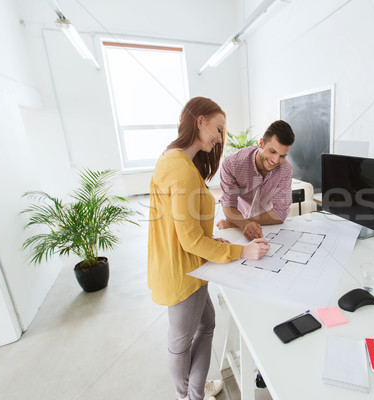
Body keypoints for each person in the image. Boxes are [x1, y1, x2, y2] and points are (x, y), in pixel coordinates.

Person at [147, 97, 270, 400]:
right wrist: (242, 251)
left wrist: (210, 239)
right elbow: (189, 240)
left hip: (186, 264)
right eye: (218, 128)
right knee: (180, 343)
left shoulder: (174, 158)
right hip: (183, 273)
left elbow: (183, 228)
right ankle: (189, 396)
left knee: (208, 323)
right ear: (199, 121)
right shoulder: (182, 170)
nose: (219, 137)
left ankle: (195, 389)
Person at [217, 120, 295, 240]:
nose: (275, 160)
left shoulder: (285, 168)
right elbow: (228, 205)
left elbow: (280, 213)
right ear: (261, 144)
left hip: (267, 222)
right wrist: (242, 223)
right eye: (272, 151)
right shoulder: (232, 163)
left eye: (282, 155)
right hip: (239, 216)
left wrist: (244, 223)